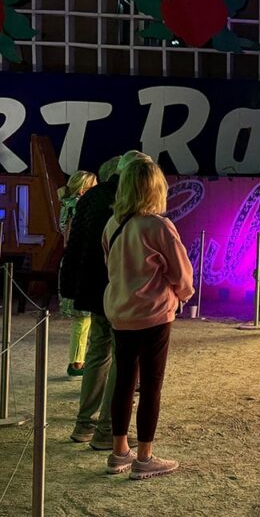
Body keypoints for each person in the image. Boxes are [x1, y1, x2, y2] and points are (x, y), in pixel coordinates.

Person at [102, 156, 193, 479]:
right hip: (154, 315)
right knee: (151, 385)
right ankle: (144, 457)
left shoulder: (112, 224)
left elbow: (110, 265)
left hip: (120, 313)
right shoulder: (159, 226)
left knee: (124, 381)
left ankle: (119, 451)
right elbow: (182, 273)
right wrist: (182, 296)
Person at [62, 151, 145, 450]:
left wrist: (70, 286)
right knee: (124, 358)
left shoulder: (90, 197)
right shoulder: (129, 198)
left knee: (97, 352)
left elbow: (74, 244)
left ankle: (84, 424)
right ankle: (108, 428)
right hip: (119, 288)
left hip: (92, 287)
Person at [58, 170, 97, 377]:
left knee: (82, 319)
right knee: (84, 319)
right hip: (83, 262)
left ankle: (77, 361)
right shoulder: (80, 205)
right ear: (84, 189)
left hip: (70, 261)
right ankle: (78, 362)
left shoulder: (66, 205)